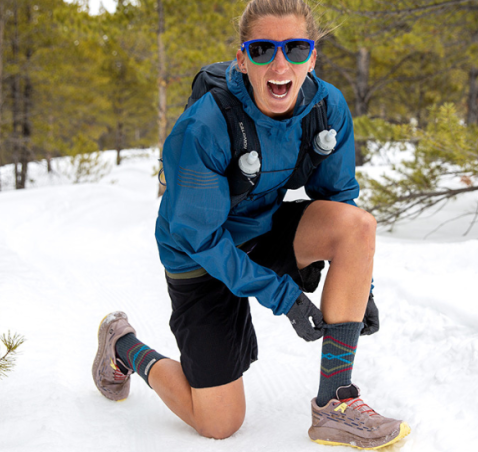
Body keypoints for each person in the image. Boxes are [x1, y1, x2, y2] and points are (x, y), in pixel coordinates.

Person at [91, 0, 409, 448]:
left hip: (259, 229)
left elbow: (338, 199)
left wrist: (364, 285)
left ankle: (335, 404)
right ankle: (122, 344)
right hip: (198, 255)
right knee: (218, 423)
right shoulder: (203, 126)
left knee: (357, 225)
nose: (280, 64)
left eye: (296, 49)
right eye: (262, 50)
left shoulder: (326, 107)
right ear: (243, 59)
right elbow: (200, 236)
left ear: (312, 55)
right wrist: (285, 297)